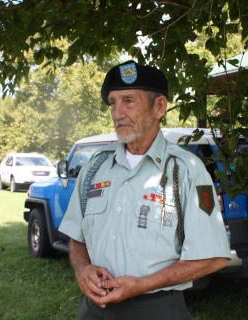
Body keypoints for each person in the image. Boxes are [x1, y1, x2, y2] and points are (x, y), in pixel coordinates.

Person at [59, 61, 231, 319]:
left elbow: (214, 257)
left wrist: (143, 284)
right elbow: (76, 237)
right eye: (113, 103)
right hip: (93, 310)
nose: (118, 113)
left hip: (155, 309)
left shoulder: (186, 170)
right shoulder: (95, 167)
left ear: (159, 107)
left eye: (129, 101)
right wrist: (82, 270)